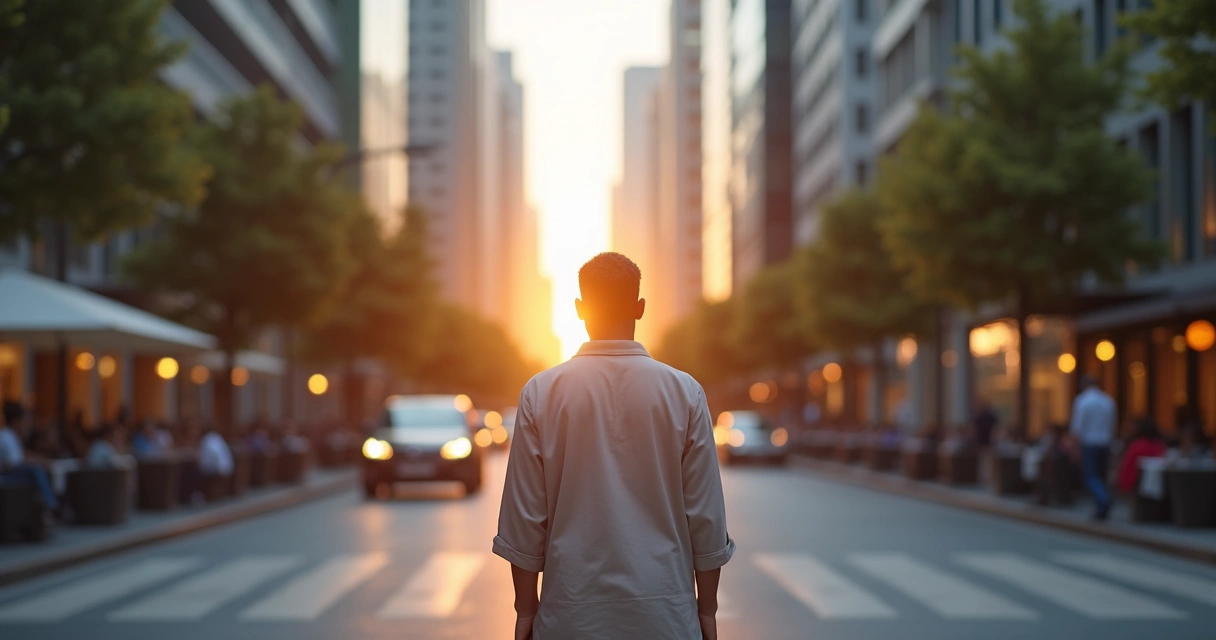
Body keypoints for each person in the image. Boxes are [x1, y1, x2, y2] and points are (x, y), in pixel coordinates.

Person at [494, 253, 734, 640]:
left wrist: (526, 612)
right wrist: (706, 611)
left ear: (579, 309)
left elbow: (523, 522)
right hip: (666, 616)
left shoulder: (540, 393)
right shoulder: (685, 392)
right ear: (640, 308)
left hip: (569, 617)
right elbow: (706, 519)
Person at [1069, 375, 1117, 520]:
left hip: (1089, 443)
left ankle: (1103, 500)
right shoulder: (1108, 401)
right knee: (1100, 476)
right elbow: (1113, 425)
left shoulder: (1082, 401)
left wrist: (1074, 448)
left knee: (1091, 476)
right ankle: (1101, 507)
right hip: (1105, 442)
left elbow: (1077, 428)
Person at [0, 401, 59, 513]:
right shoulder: (7, 437)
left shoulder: (10, 436)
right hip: (5, 475)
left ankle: (44, 509)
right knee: (36, 471)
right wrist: (38, 462)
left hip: (11, 472)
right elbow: (15, 463)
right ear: (16, 421)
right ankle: (51, 504)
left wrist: (39, 460)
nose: (25, 425)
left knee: (38, 472)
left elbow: (21, 456)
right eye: (23, 421)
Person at [1117, 418, 1167, 494]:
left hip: (1135, 484)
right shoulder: (1159, 446)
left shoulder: (1137, 445)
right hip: (1158, 486)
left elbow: (1127, 466)